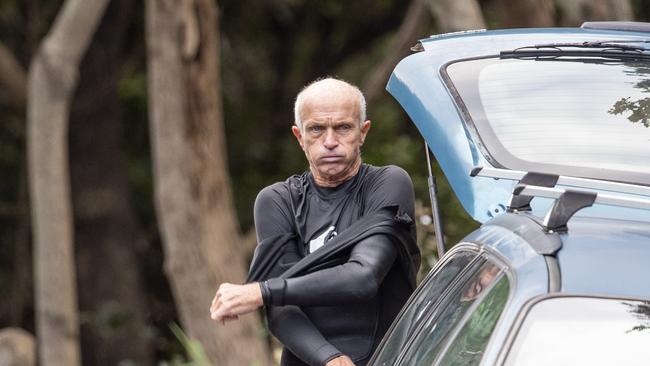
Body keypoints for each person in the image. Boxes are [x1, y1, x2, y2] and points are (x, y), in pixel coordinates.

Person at [210, 78, 420, 366]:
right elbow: (282, 312)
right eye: (317, 129)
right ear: (299, 136)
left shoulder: (387, 184)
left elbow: (364, 276)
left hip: (388, 358)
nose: (330, 141)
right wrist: (330, 359)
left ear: (363, 132)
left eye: (343, 127)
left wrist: (262, 290)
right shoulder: (278, 201)